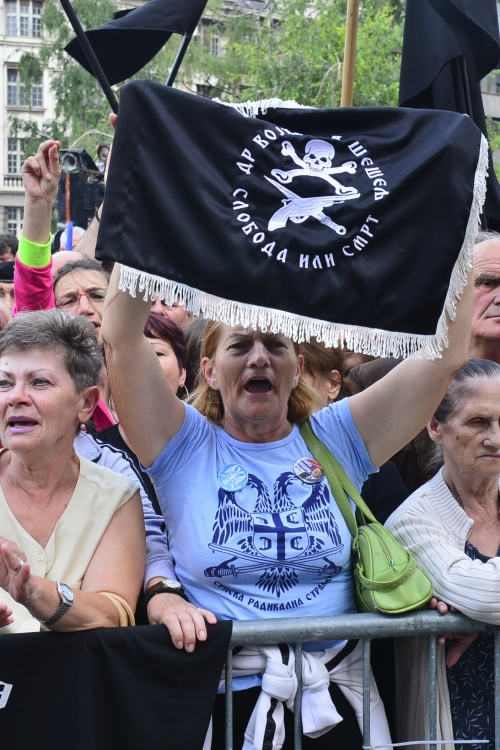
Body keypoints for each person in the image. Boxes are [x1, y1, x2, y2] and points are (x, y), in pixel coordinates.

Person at [100, 227, 473, 749]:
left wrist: (457, 221)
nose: (259, 358)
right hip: (224, 708)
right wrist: (149, 206)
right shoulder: (180, 444)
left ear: (297, 369)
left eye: (275, 345)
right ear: (208, 370)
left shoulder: (339, 437)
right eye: (239, 346)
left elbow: (447, 355)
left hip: (338, 707)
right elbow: (120, 336)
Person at [0, 309, 145, 634]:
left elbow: (112, 613)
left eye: (39, 382)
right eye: (4, 383)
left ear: (86, 403)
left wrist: (34, 592)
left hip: (77, 669)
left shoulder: (116, 496)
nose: (15, 397)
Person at [386, 359, 500, 750]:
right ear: (436, 427)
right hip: (462, 724)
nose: (495, 438)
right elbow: (484, 596)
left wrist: (481, 619)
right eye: (478, 422)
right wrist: (481, 610)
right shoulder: (412, 519)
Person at [99, 311, 187, 515]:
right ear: (109, 373)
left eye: (157, 353)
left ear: (183, 373)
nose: (143, 363)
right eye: (128, 354)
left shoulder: (209, 445)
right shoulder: (94, 455)